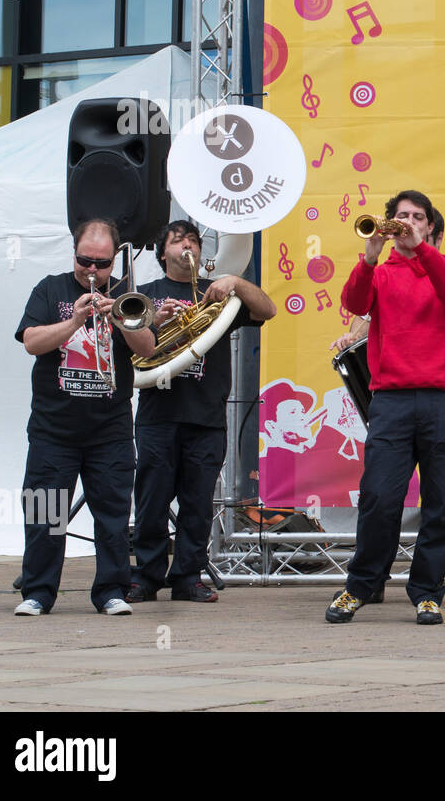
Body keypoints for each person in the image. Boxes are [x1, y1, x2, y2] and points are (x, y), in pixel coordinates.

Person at [325, 190, 445, 626]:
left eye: (418, 217)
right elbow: (352, 303)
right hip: (389, 398)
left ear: (429, 227)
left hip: (443, 398)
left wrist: (421, 251)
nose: (409, 222)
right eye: (402, 216)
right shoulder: (380, 271)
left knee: (440, 501)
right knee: (378, 498)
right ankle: (361, 586)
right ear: (388, 225)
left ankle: (428, 592)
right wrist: (370, 255)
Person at [127, 220, 276, 604]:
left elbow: (268, 310)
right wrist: (157, 322)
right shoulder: (145, 295)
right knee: (151, 501)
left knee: (196, 504)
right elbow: (130, 350)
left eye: (193, 239)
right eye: (178, 241)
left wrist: (236, 283)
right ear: (163, 254)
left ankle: (187, 578)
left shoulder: (219, 294)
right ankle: (145, 577)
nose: (187, 245)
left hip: (206, 416)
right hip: (158, 414)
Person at [13, 218, 156, 616]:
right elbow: (31, 342)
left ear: (114, 262)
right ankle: (38, 592)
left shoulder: (128, 296)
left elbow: (146, 348)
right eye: (84, 260)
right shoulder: (50, 289)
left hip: (108, 430)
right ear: (73, 253)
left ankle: (111, 591)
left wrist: (119, 318)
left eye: (102, 263)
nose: (92, 271)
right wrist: (75, 321)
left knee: (112, 516)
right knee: (45, 513)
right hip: (52, 430)